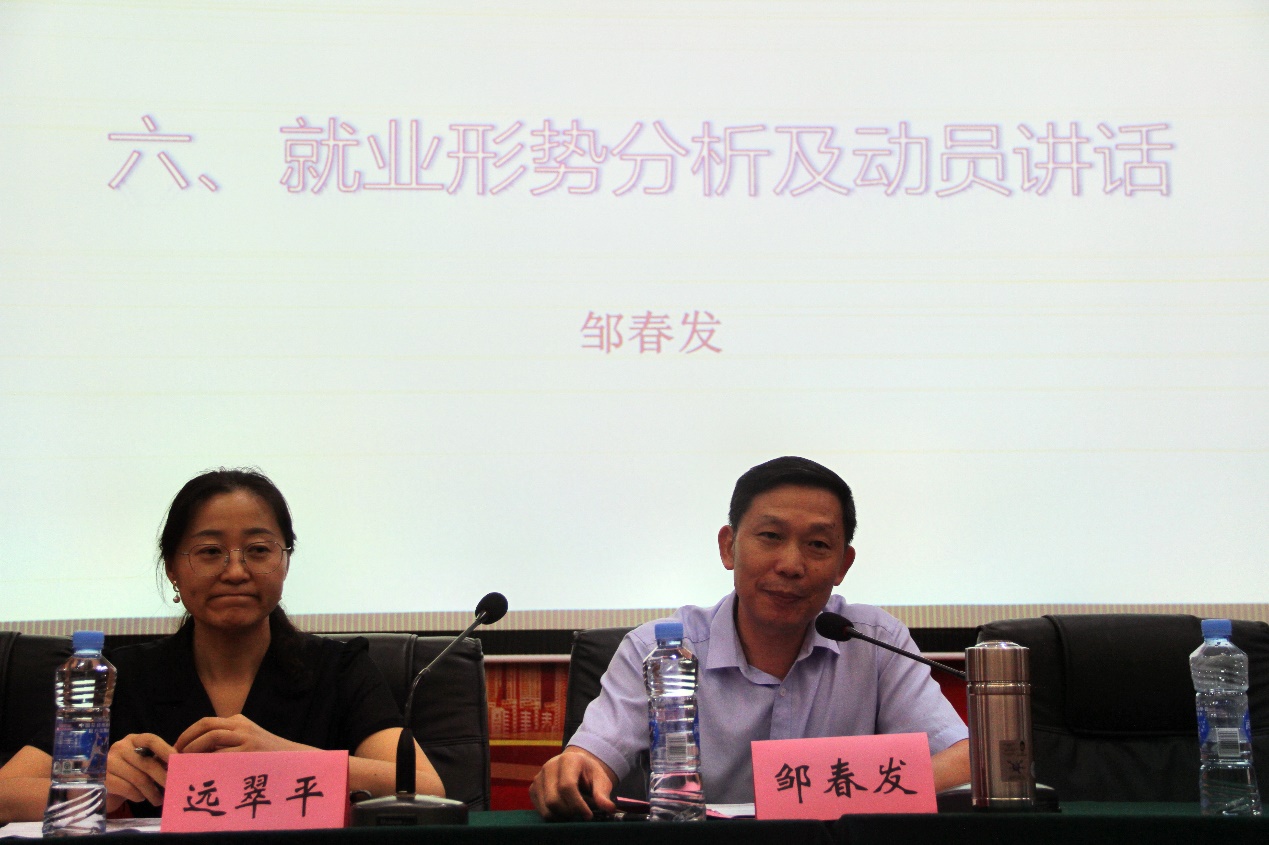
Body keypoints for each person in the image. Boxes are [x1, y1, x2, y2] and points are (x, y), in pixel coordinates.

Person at [531, 456, 971, 819]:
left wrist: (827, 793)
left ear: (843, 564)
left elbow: (965, 760)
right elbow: (589, 762)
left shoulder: (873, 642)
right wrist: (575, 768)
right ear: (729, 547)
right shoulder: (659, 651)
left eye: (818, 545)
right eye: (771, 536)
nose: (791, 565)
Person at [0, 468, 443, 823]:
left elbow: (426, 788)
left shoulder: (339, 669)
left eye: (258, 550)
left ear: (285, 561)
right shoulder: (123, 676)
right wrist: (96, 787)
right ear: (172, 568)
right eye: (210, 552)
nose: (235, 571)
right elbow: (5, 793)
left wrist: (288, 758)